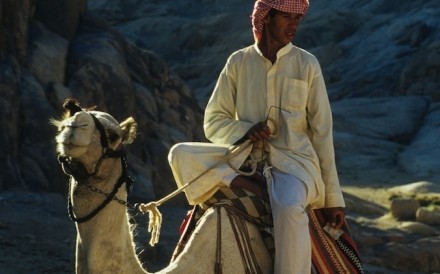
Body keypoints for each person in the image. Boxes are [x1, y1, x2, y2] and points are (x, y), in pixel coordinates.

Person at [203, 0, 346, 273]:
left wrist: (332, 198)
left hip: (294, 164)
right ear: (266, 17)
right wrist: (245, 130)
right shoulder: (238, 61)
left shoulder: (307, 64)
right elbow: (213, 121)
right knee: (181, 156)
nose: (294, 24)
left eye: (298, 18)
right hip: (243, 160)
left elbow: (322, 133)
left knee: (289, 206)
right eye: (286, 17)